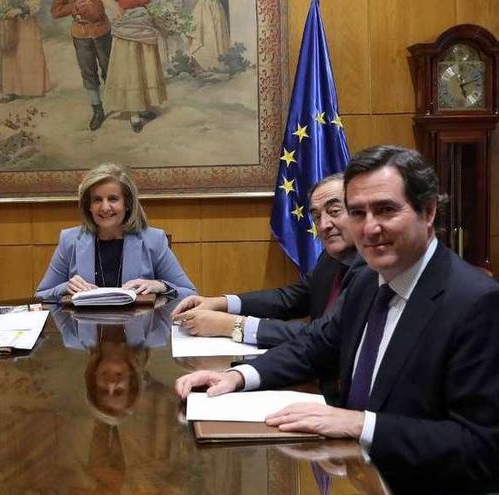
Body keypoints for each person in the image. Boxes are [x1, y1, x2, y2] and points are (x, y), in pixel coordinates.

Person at [175, 145, 499, 492]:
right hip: (351, 473)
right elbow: (314, 346)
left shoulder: (476, 303)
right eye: (358, 213)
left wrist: (361, 425)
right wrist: (238, 376)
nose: (370, 228)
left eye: (386, 210)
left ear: (429, 210)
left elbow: (482, 448)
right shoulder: (366, 282)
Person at [171, 173, 364, 349]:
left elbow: (324, 335)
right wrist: (220, 303)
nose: (324, 225)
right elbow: (290, 299)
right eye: (316, 216)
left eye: (335, 211)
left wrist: (232, 325)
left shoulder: (372, 270)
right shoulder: (330, 259)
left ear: (359, 212)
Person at [35, 163, 196, 300]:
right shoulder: (69, 240)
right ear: (88, 206)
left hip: (138, 331)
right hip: (85, 332)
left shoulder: (153, 240)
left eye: (113, 199)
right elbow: (41, 295)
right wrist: (65, 287)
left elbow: (190, 294)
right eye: (97, 199)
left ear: (127, 204)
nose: (105, 207)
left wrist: (161, 286)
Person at [104, 0, 167, 132]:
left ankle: (142, 107)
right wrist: (117, 12)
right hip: (126, 26)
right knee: (131, 69)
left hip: (145, 26)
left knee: (145, 67)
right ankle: (134, 114)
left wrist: (155, 13)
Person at [51, 0, 112, 130]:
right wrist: (74, 6)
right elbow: (55, 12)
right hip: (81, 33)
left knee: (110, 69)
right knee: (88, 72)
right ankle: (97, 110)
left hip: (102, 29)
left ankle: (124, 103)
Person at [0, 0, 50, 103]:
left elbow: (35, 4)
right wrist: (3, 10)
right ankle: (10, 90)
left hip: (27, 22)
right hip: (9, 23)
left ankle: (33, 88)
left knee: (29, 53)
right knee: (10, 54)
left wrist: (19, 10)